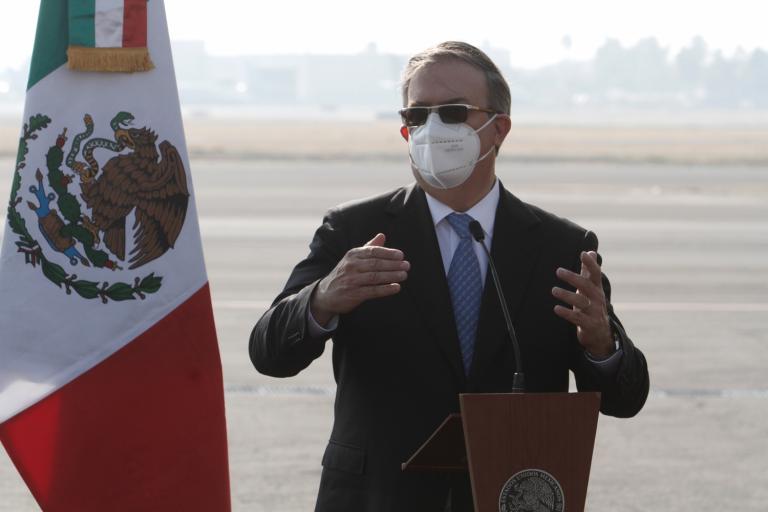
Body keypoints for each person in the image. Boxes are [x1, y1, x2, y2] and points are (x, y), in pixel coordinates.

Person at [249, 41, 649, 512]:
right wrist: (320, 301)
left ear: (498, 129)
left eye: (454, 112)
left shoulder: (560, 246)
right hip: (377, 496)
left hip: (509, 492)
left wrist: (601, 347)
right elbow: (269, 354)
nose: (433, 129)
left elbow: (625, 399)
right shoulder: (354, 232)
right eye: (418, 115)